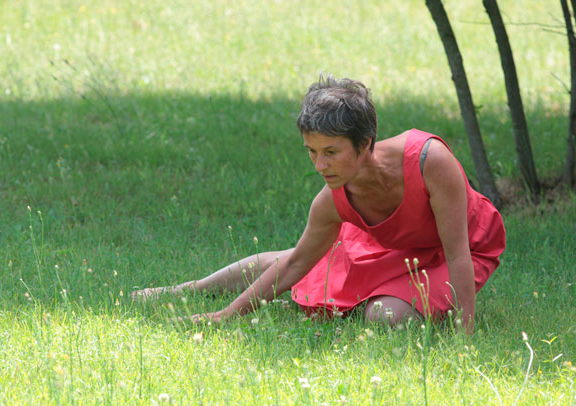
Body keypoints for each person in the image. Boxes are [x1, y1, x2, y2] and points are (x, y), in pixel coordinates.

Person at [132, 76, 506, 332]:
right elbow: (296, 262)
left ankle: (353, 296)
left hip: (461, 247)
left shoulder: (429, 160)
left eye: (331, 152)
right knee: (302, 262)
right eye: (311, 151)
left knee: (384, 316)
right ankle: (189, 289)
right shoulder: (333, 199)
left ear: (366, 143)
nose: (320, 165)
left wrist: (465, 336)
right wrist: (224, 317)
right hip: (394, 247)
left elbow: (458, 253)